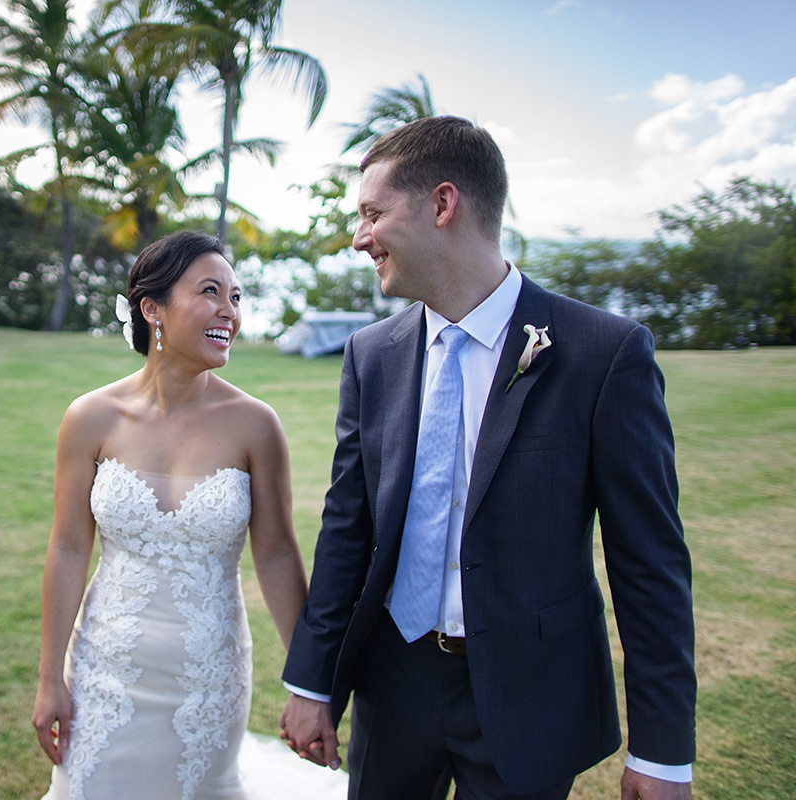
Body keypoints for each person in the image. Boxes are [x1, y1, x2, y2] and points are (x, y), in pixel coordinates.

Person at [279, 116, 697, 800]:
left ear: (443, 204)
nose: (358, 237)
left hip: (528, 694)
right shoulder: (371, 354)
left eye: (373, 214)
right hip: (394, 683)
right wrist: (310, 679)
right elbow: (347, 528)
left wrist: (663, 753)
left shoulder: (603, 353)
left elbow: (649, 566)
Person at [32, 231, 320, 800]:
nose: (228, 312)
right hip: (103, 673)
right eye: (210, 292)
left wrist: (309, 685)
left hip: (208, 679)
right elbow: (67, 548)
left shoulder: (256, 425)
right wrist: (49, 680)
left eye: (236, 297)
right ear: (151, 308)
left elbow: (279, 554)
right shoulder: (90, 418)